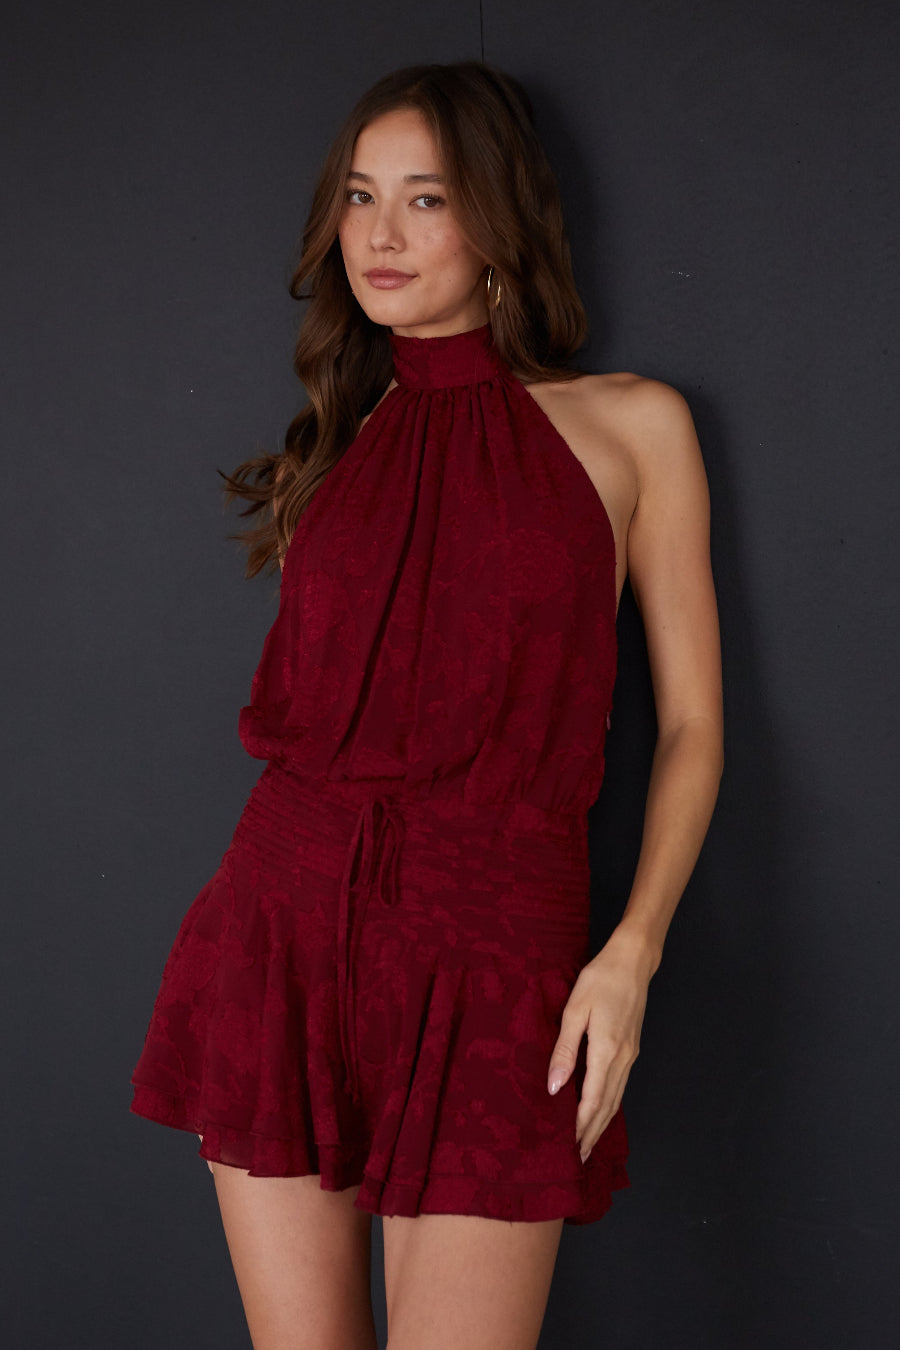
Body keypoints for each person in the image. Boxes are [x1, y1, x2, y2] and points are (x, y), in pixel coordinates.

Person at [130, 59, 723, 1350]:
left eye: (426, 199)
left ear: (500, 222)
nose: (380, 235)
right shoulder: (332, 450)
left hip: (500, 940)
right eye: (358, 196)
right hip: (284, 927)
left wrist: (631, 952)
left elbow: (692, 726)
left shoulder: (630, 428)